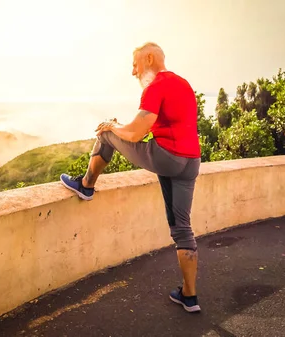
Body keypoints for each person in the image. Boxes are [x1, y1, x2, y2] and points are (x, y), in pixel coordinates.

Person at [59, 42, 202, 313]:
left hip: (167, 157)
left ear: (149, 58)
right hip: (190, 163)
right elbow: (165, 125)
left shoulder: (156, 85)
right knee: (182, 228)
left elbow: (136, 134)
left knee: (105, 134)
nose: (132, 71)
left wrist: (113, 126)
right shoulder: (182, 84)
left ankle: (86, 185)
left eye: (135, 64)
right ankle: (189, 296)